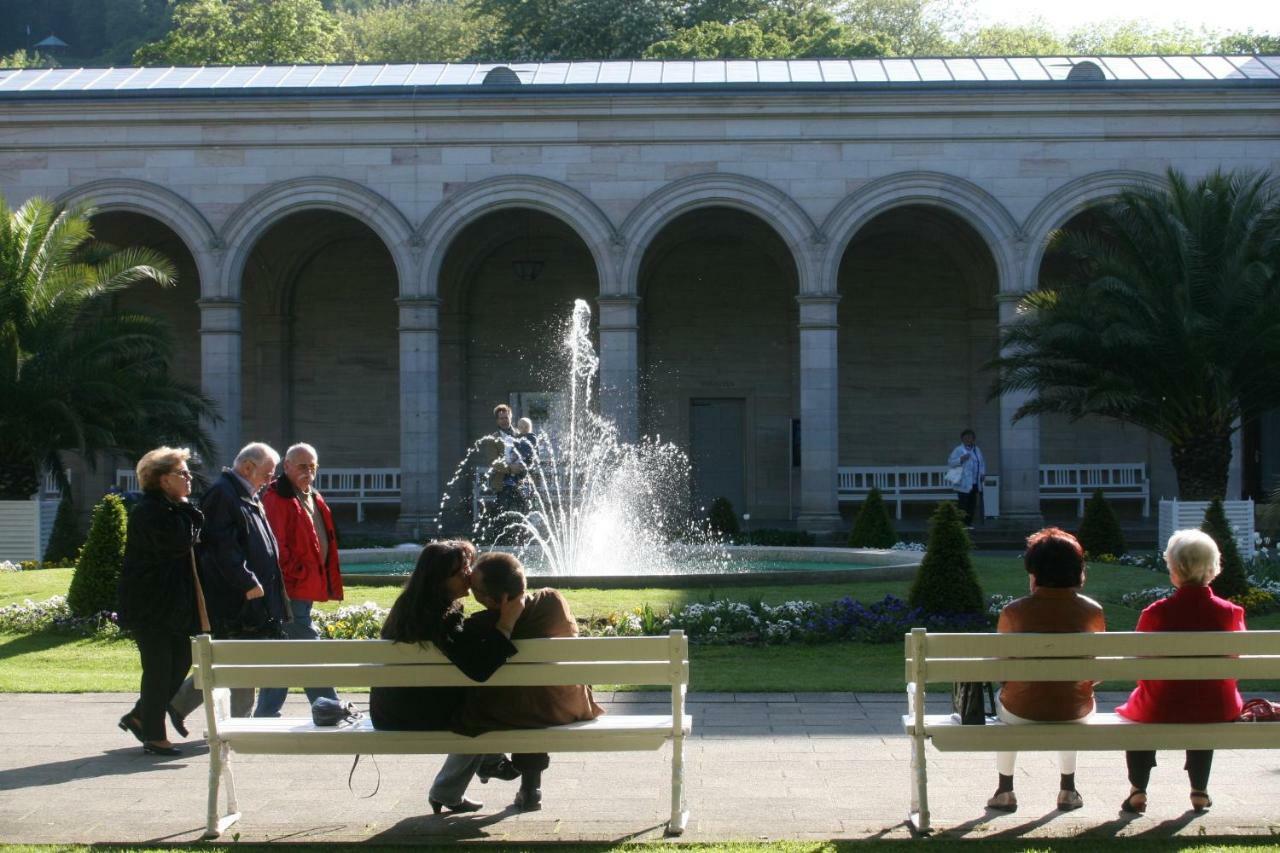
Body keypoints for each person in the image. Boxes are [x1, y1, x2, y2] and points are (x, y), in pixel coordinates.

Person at [369, 540, 525, 814]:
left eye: (467, 565)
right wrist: (506, 623)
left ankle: (481, 766)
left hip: (388, 710)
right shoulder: (442, 617)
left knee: (476, 706)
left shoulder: (411, 606)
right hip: (412, 715)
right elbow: (480, 671)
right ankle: (488, 761)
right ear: (440, 580)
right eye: (461, 570)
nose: (469, 572)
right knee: (480, 709)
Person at [452, 552, 604, 811]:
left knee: (523, 699)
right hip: (565, 708)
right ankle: (531, 788)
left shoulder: (479, 626)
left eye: (474, 588)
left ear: (492, 599)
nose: (469, 587)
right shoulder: (553, 602)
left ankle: (504, 770)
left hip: (508, 714)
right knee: (538, 694)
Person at [1115, 529, 1246, 815]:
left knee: (1144, 707)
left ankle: (1138, 790)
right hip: (1216, 706)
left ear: (1173, 570)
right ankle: (1199, 791)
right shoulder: (1230, 612)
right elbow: (1235, 662)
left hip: (1162, 704)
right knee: (1204, 698)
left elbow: (1140, 664)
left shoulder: (1155, 612)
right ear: (1213, 568)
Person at [987, 528, 1105, 813]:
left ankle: (1005, 790)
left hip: (1020, 710)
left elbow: (1002, 668)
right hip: (1075, 710)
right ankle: (1068, 789)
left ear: (1034, 571)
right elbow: (1097, 670)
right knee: (1069, 694)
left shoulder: (1014, 612)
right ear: (1078, 571)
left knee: (1007, 700)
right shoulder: (1093, 611)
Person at [170, 442, 288, 723]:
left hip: (250, 594)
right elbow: (222, 547)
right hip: (238, 597)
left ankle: (181, 707)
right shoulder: (225, 494)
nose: (271, 481)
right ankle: (237, 723)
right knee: (241, 660)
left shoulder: (244, 493)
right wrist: (247, 581)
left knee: (236, 661)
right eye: (268, 473)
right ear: (248, 467)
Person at [115, 447, 208, 756]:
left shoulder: (175, 509)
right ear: (163, 480)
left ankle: (141, 716)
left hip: (174, 606)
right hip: (150, 606)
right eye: (182, 473)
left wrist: (187, 510)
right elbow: (179, 542)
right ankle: (154, 736)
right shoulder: (149, 511)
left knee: (180, 662)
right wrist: (190, 511)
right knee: (157, 669)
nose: (189, 478)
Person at [257, 442, 344, 717]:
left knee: (287, 651)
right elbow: (276, 546)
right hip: (290, 588)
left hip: (304, 586)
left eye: (312, 466)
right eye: (302, 466)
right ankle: (330, 706)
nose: (308, 471)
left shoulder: (311, 495)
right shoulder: (277, 497)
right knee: (308, 647)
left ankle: (266, 712)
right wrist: (299, 573)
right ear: (287, 467)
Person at [948, 429, 985, 526]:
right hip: (963, 482)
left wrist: (982, 473)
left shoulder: (977, 450)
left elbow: (981, 463)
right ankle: (961, 524)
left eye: (970, 437)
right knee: (963, 504)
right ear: (962, 439)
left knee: (972, 503)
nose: (968, 439)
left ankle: (969, 523)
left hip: (975, 481)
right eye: (966, 437)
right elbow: (951, 463)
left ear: (973, 439)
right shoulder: (958, 450)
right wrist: (961, 459)